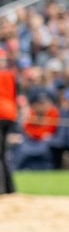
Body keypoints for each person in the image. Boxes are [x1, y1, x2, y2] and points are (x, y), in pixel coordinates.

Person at [0, 53, 18, 193]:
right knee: (4, 153)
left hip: (1, 113)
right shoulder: (10, 75)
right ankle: (10, 189)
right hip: (10, 113)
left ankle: (1, 189)